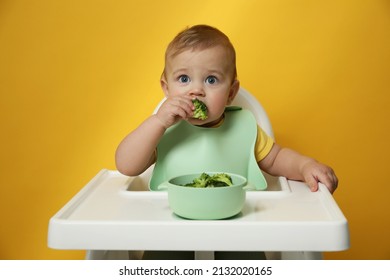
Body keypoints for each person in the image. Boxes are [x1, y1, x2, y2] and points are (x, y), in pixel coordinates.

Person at [115, 25, 338, 259]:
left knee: (247, 260)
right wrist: (158, 122)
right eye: (183, 79)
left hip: (238, 219)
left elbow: (276, 158)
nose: (196, 91)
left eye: (211, 80)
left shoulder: (244, 127)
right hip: (171, 220)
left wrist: (304, 166)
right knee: (161, 262)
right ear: (166, 88)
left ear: (231, 92)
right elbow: (126, 165)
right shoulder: (161, 130)